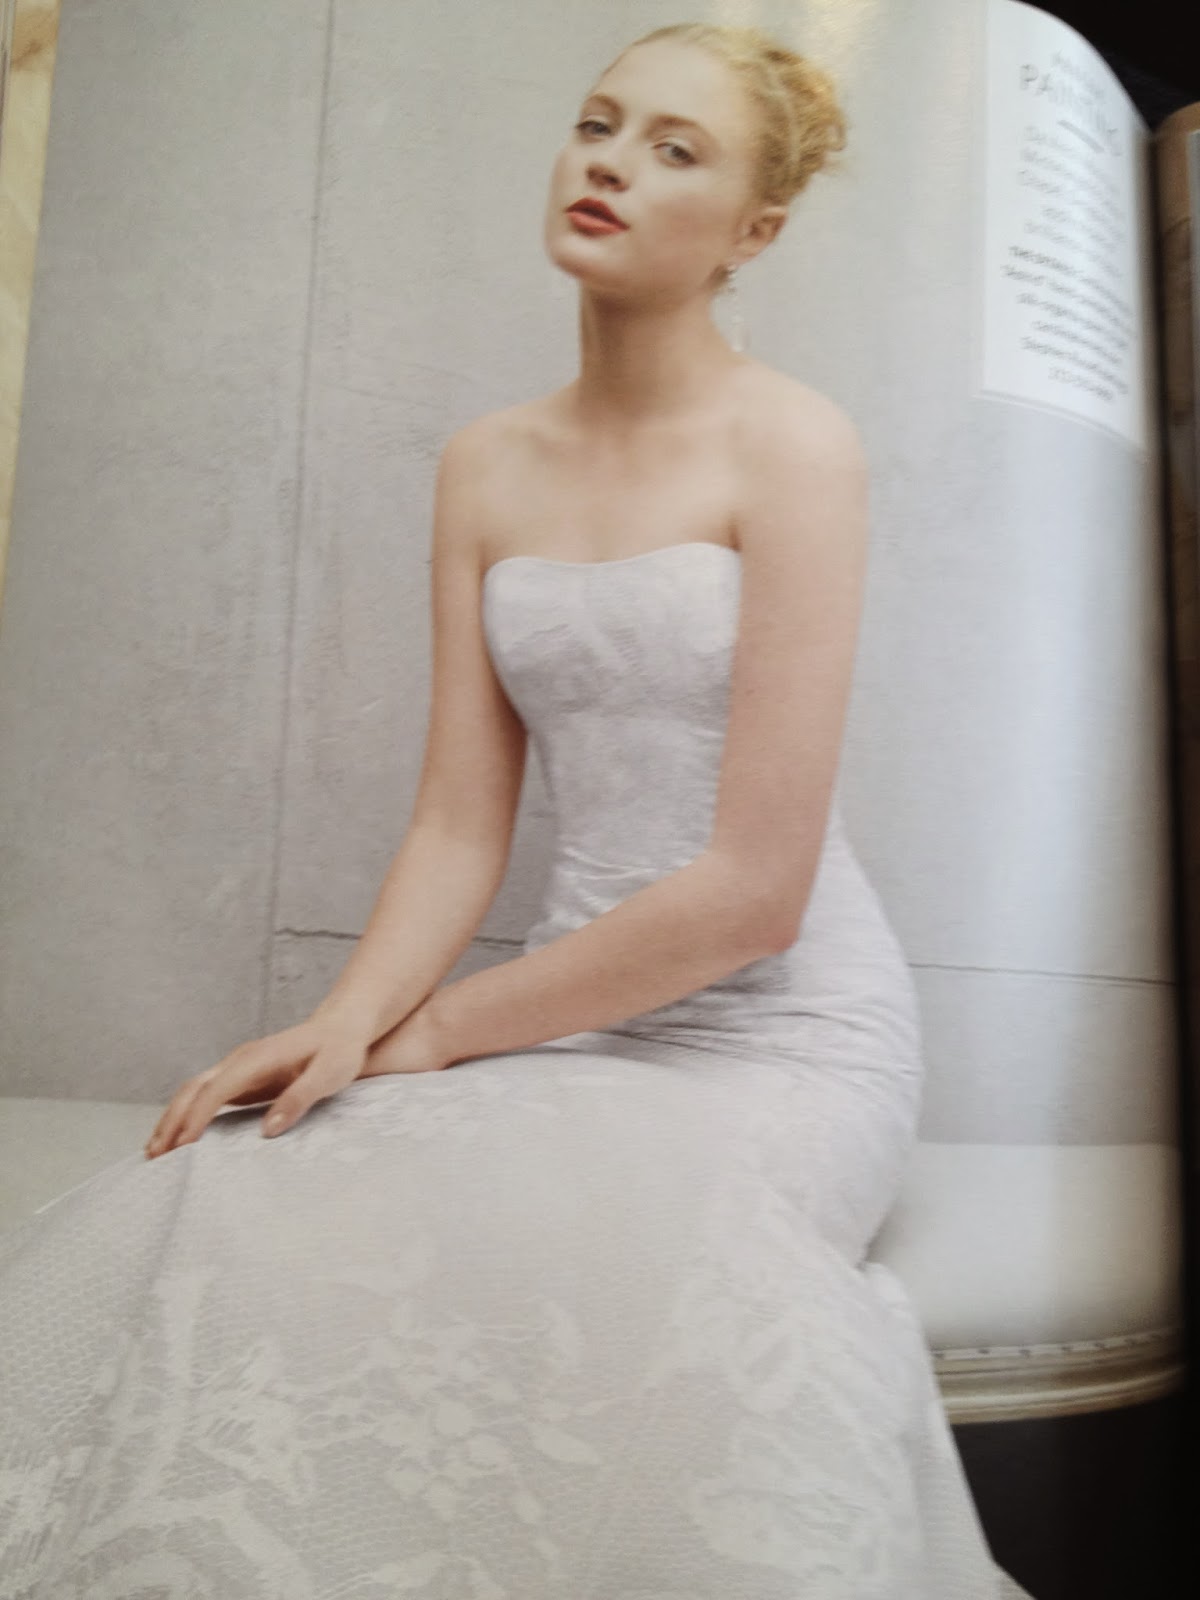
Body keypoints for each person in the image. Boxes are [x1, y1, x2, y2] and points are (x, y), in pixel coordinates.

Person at [0, 21, 1036, 1599]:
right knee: (236, 1186)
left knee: (583, 1272)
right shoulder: (486, 464)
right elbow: (456, 827)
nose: (609, 163)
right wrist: (342, 1025)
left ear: (755, 232)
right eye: (598, 123)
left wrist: (430, 1037)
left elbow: (755, 891)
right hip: (569, 1021)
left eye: (675, 150)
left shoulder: (796, 445)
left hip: (786, 1033)